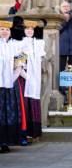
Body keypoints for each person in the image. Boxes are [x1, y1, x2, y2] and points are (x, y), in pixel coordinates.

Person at [0, 19, 25, 153]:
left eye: (7, 30)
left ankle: (5, 142)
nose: (4, 32)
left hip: (9, 84)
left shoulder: (15, 45)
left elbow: (21, 61)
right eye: (2, 29)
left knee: (8, 113)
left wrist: (13, 76)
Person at [19, 19, 46, 140]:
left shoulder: (38, 43)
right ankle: (24, 133)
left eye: (32, 29)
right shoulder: (20, 43)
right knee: (24, 104)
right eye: (27, 28)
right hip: (24, 77)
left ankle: (33, 132)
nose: (29, 31)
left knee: (34, 101)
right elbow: (19, 63)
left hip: (35, 77)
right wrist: (27, 77)